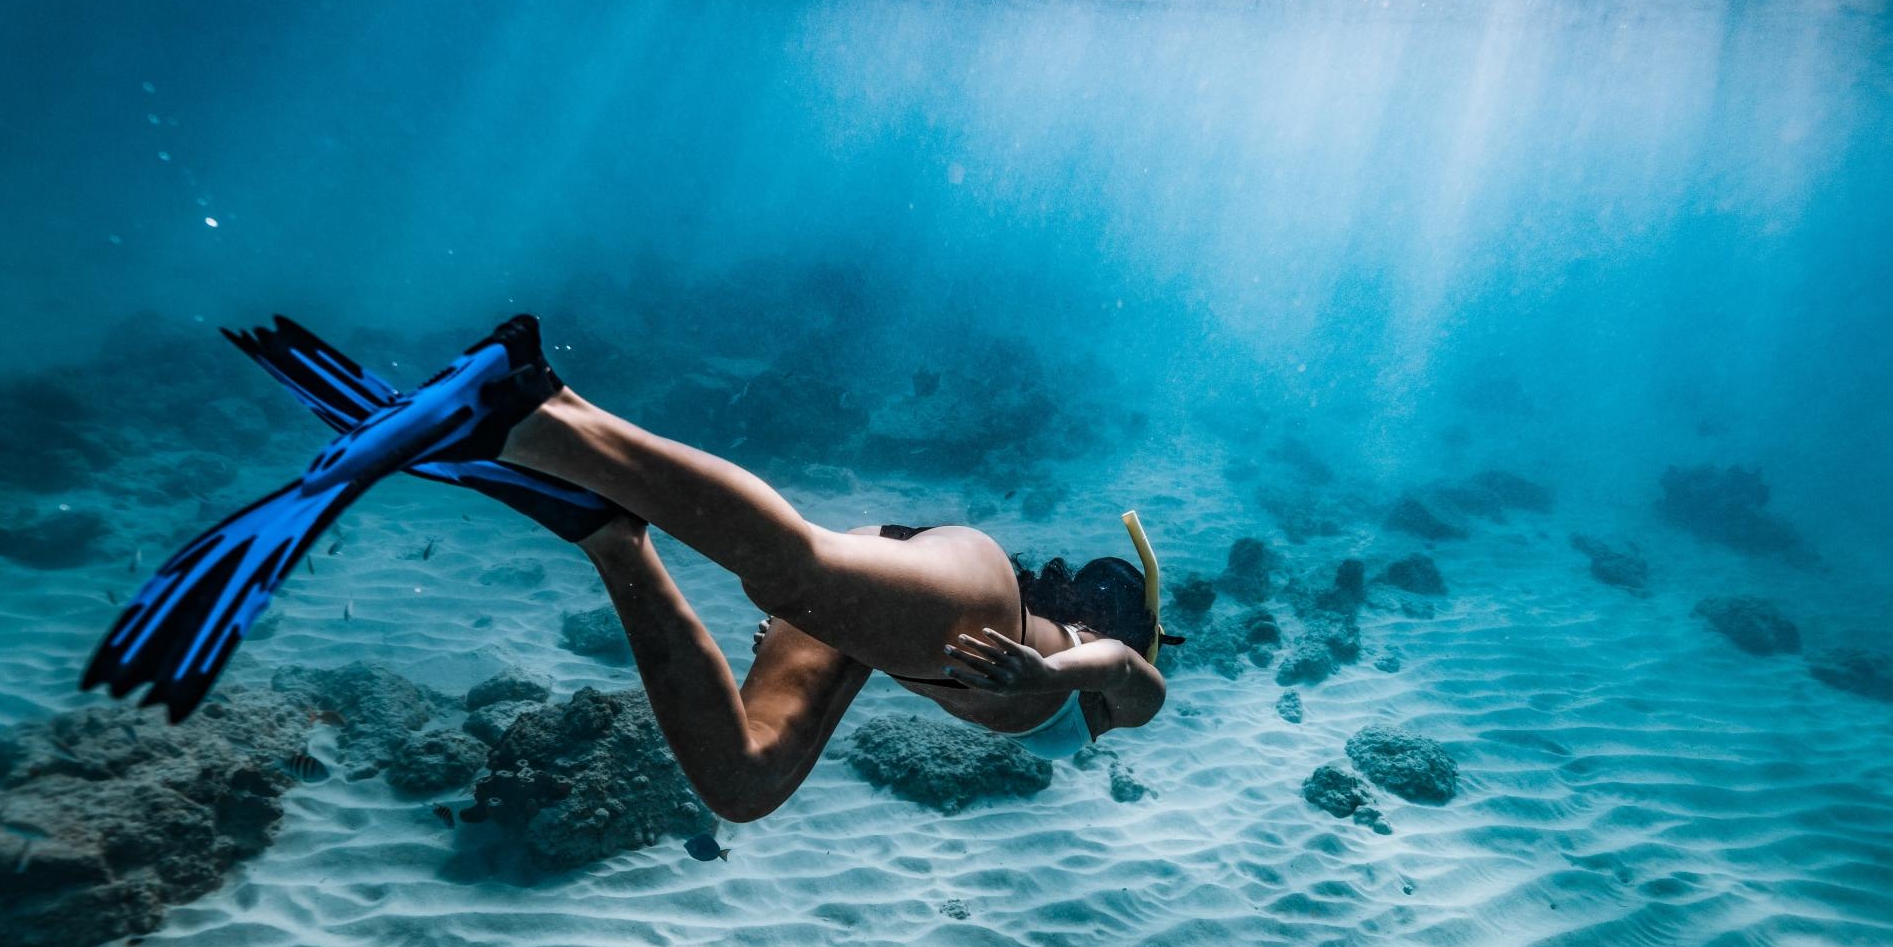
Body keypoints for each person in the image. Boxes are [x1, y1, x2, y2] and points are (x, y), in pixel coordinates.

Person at [88, 313, 1175, 823]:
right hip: (966, 599)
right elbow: (1139, 682)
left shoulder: (1033, 667)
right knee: (790, 572)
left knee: (743, 782)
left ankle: (609, 534)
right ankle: (532, 408)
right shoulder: (1081, 656)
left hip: (899, 627)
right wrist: (1059, 678)